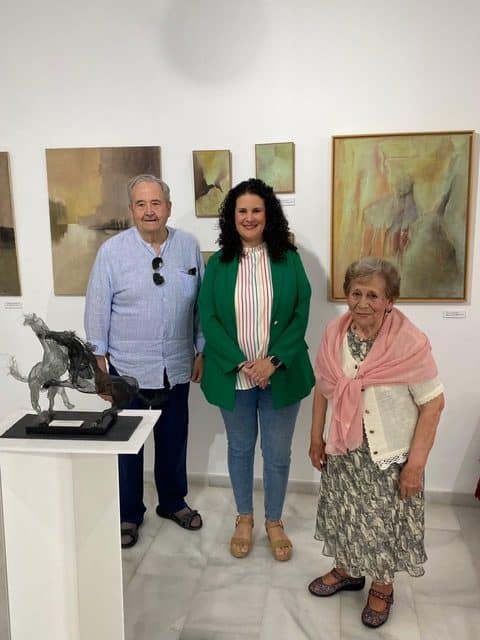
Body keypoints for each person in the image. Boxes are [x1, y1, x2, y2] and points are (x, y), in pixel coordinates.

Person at [308, 257, 444, 628]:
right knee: (345, 513)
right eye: (356, 293)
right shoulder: (334, 334)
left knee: (383, 523)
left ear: (390, 301)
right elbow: (323, 388)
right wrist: (316, 437)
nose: (362, 302)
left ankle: (382, 586)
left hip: (390, 456)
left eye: (373, 295)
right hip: (344, 449)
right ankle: (348, 570)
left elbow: (433, 404)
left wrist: (415, 465)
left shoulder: (408, 342)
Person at [84, 174, 205, 548]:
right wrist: (99, 368)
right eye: (141, 204)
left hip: (176, 365)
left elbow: (200, 306)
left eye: (156, 203)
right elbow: (97, 309)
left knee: (174, 439)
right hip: (127, 369)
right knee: (127, 445)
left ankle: (173, 502)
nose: (149, 211)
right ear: (131, 210)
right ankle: (128, 514)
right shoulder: (112, 252)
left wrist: (200, 349)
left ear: (168, 207)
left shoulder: (188, 246)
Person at [199, 178, 315, 561]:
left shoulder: (289, 259)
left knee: (277, 452)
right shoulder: (218, 263)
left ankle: (274, 521)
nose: (249, 218)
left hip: (281, 373)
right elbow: (208, 317)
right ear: (232, 217)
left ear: (269, 215)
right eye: (242, 211)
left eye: (256, 210)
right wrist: (242, 362)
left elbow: (300, 312)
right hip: (235, 375)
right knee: (240, 448)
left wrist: (272, 361)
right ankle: (244, 518)